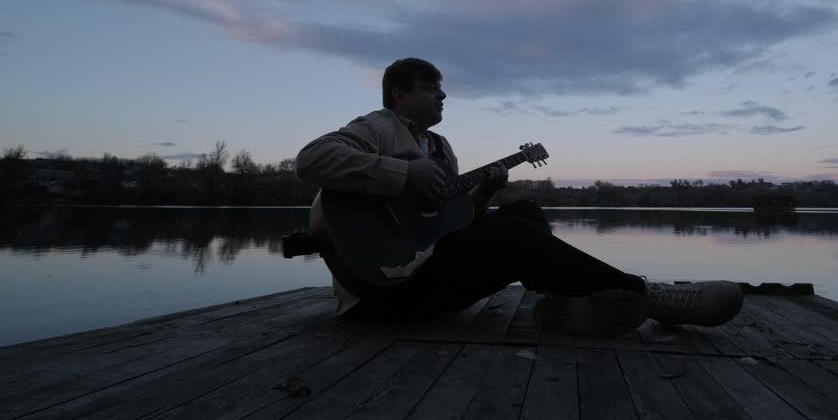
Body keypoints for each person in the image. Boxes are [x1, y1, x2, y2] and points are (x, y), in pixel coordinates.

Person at [294, 57, 742, 335]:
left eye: (441, 87)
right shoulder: (379, 127)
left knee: (523, 210)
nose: (443, 94)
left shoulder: (441, 149)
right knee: (514, 236)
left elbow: (444, 226)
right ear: (399, 92)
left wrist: (483, 192)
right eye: (432, 87)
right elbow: (312, 159)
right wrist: (402, 173)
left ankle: (575, 304)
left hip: (426, 275)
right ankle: (649, 296)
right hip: (382, 294)